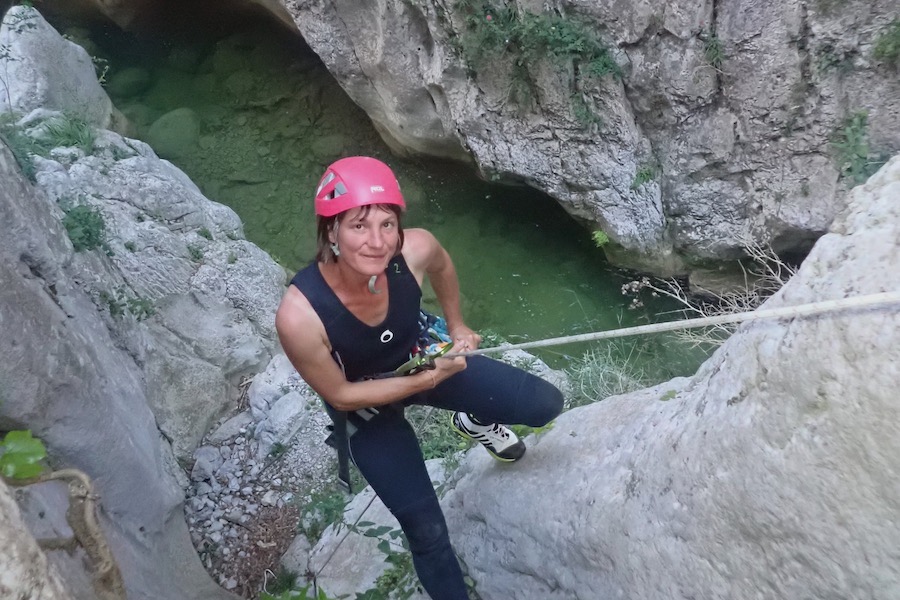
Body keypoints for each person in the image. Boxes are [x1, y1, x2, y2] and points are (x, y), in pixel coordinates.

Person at [275, 156, 563, 599]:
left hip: (422, 357)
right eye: (358, 226)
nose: (377, 242)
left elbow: (443, 265)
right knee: (426, 531)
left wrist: (459, 325)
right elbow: (341, 393)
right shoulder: (299, 315)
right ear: (330, 230)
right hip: (370, 405)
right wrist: (426, 381)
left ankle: (475, 422)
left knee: (545, 405)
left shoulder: (415, 250)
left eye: (387, 225)